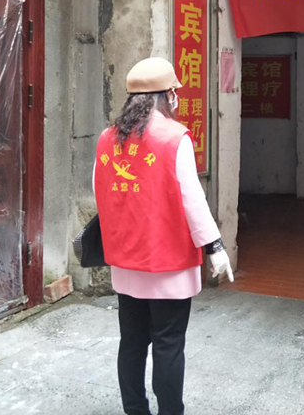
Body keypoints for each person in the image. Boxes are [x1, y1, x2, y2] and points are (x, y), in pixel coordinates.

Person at [93, 57, 233, 415]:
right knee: (168, 344)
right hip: (167, 262)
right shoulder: (174, 137)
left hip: (126, 260)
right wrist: (215, 246)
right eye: (175, 92)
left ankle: (135, 409)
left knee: (132, 342)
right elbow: (192, 198)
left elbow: (100, 190)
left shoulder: (108, 138)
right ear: (168, 95)